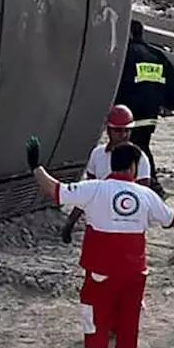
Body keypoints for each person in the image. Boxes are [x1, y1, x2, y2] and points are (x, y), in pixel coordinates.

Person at [25, 136, 174, 348]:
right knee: (128, 328)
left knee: (96, 326)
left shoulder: (94, 189)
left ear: (112, 164)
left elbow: (55, 190)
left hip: (101, 275)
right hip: (134, 276)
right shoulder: (146, 195)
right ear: (133, 166)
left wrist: (36, 167)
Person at [60, 104, 154, 243]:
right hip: (100, 222)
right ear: (108, 129)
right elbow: (88, 192)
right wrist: (71, 221)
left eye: (127, 130)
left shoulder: (140, 158)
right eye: (118, 130)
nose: (123, 135)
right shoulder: (97, 154)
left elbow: (144, 197)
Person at [116, 20, 174, 198]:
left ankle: (151, 185)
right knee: (141, 144)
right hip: (150, 113)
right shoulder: (156, 54)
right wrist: (170, 104)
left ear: (129, 34)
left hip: (129, 113)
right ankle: (145, 184)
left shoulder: (126, 54)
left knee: (136, 147)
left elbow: (118, 82)